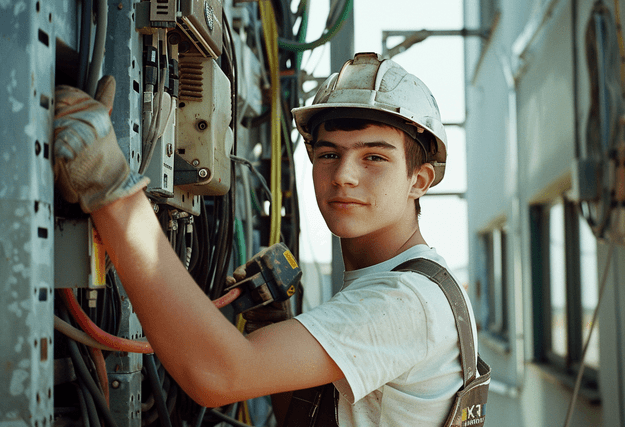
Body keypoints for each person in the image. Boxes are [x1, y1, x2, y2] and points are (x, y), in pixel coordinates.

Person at [54, 52, 477, 426]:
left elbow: (216, 376)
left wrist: (108, 185)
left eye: (374, 157)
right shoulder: (405, 283)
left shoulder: (405, 301)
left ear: (418, 180)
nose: (345, 175)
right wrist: (272, 327)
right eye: (329, 154)